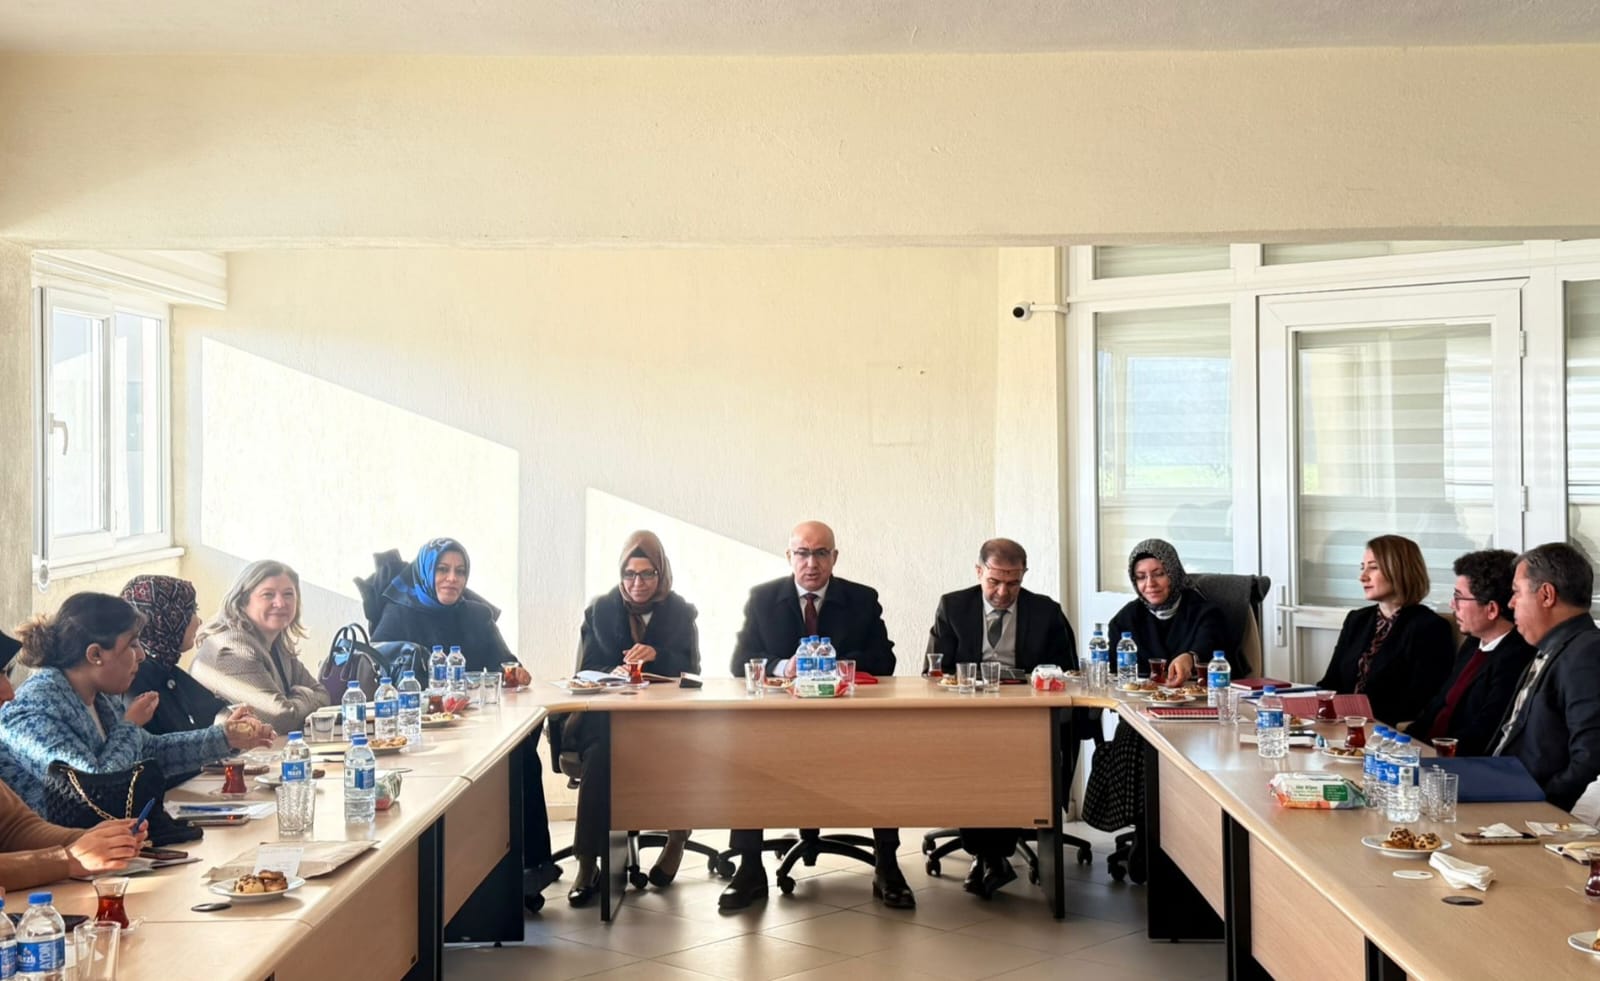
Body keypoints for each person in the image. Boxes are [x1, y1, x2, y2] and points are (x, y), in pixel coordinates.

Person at [723, 520, 904, 911]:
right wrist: (782, 665)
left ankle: (887, 864)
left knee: (884, 752)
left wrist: (836, 665)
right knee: (744, 755)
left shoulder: (861, 599)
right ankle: (749, 868)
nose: (812, 563)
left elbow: (884, 661)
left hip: (847, 722)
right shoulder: (763, 598)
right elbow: (740, 663)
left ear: (834, 557)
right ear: (789, 556)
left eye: (821, 553)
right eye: (803, 553)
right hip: (779, 725)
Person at [0, 593, 274, 812]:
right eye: (132, 645)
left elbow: (148, 752)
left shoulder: (100, 696)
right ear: (95, 655)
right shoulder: (35, 710)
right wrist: (130, 725)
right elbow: (93, 790)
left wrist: (225, 737)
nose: (141, 655)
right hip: (62, 852)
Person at [926, 537, 1075, 898]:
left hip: (1027, 715)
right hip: (967, 713)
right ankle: (992, 856)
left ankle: (989, 856)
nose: (1003, 592)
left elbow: (1067, 672)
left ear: (1024, 576)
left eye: (1013, 583)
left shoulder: (1045, 611)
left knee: (1008, 756)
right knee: (974, 758)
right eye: (994, 581)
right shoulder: (954, 606)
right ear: (979, 572)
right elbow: (934, 670)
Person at [561, 531, 701, 906]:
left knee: (683, 749)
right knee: (600, 753)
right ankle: (587, 863)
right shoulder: (601, 610)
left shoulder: (680, 612)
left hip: (664, 719)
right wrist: (616, 671)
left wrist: (657, 655)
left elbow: (693, 671)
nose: (637, 583)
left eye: (647, 574)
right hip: (607, 718)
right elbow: (586, 669)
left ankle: (676, 839)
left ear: (661, 574)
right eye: (629, 574)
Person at [1491, 543, 1600, 810]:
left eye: (1516, 592)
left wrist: (1543, 803)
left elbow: (1591, 755)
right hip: (1502, 788)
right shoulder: (1554, 646)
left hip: (1532, 808)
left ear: (1547, 595)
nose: (1510, 603)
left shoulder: (1586, 652)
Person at [1315, 535, 1454, 726]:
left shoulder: (1430, 627)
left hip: (1386, 729)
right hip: (1341, 724)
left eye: (1373, 568)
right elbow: (1331, 683)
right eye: (1362, 568)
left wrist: (1357, 716)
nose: (1362, 577)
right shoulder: (1357, 619)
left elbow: (1420, 701)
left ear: (1399, 570)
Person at [1408, 550, 1537, 756]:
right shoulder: (1473, 642)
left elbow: (1483, 733)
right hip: (1423, 752)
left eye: (1458, 597)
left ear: (1491, 609)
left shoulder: (1516, 658)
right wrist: (1404, 742)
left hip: (1456, 763)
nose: (1452, 605)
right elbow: (1439, 704)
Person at [191, 560, 329, 734]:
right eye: (268, 595)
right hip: (228, 752)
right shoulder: (233, 647)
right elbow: (280, 718)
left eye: (288, 594)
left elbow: (323, 695)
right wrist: (304, 695)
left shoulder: (277, 643)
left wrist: (293, 702)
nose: (280, 603)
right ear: (242, 601)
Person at [371, 537, 531, 684]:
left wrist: (515, 674)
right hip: (414, 705)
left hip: (470, 704)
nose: (453, 578)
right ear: (425, 572)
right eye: (442, 569)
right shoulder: (399, 614)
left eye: (460, 571)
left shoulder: (478, 615)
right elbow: (375, 667)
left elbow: (504, 665)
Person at [1106, 539, 1229, 686]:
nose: (1150, 584)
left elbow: (1208, 646)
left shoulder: (1205, 613)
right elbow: (1114, 675)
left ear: (1173, 574)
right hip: (1138, 699)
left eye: (1159, 574)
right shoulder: (1124, 620)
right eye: (1141, 577)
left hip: (1196, 697)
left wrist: (1190, 658)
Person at [120, 575, 230, 735]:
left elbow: (212, 710)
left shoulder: (163, 666)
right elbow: (172, 743)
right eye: (191, 611)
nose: (199, 621)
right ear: (167, 618)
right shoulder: (138, 678)